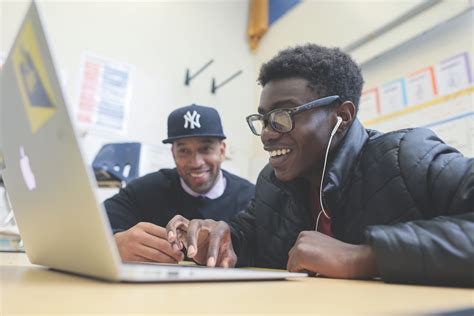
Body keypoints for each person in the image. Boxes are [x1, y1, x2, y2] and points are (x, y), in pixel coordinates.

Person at [166, 44, 474, 286]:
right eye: (263, 119)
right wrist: (218, 238)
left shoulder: (406, 156)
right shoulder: (272, 182)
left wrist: (365, 258)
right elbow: (248, 235)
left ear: (342, 116)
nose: (268, 134)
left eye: (284, 115)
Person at [104, 104, 255, 264]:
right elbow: (90, 222)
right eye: (184, 151)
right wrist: (114, 245)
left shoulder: (251, 198)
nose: (196, 162)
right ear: (173, 154)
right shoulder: (146, 190)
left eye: (205, 149)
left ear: (222, 151)